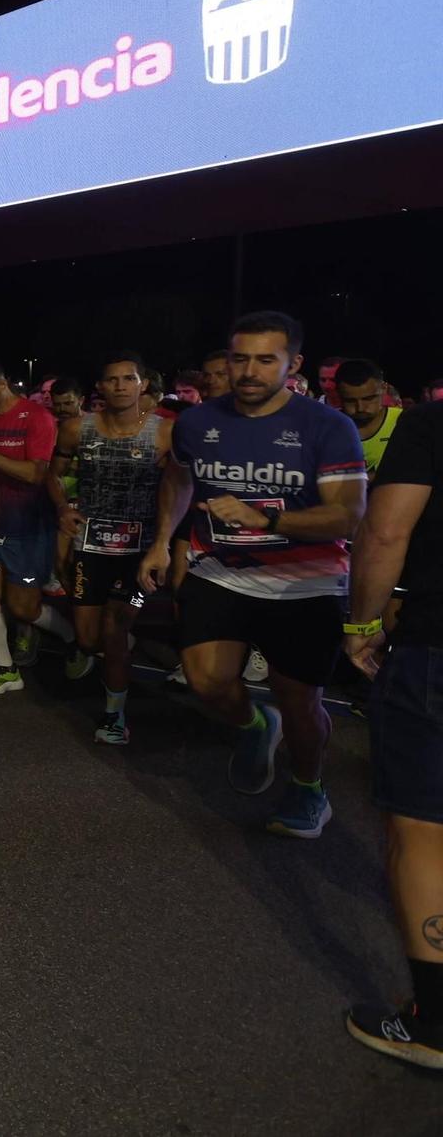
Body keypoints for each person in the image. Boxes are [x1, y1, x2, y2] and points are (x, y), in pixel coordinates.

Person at [139, 311, 367, 838]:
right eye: (240, 358)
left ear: (294, 363)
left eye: (266, 359)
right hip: (219, 572)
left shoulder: (327, 426)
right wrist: (159, 543)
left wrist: (267, 518)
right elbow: (178, 481)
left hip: (304, 584)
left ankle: (310, 789)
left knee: (299, 699)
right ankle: (255, 725)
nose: (249, 371)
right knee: (206, 682)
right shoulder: (197, 421)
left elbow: (347, 514)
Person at [342, 398, 443, 1068]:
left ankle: (435, 1023)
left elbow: (384, 533)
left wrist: (361, 623)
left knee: (424, 828)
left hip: (438, 646)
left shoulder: (434, 422)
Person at [49, 353, 171, 744]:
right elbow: (52, 475)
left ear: (143, 385)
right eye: (112, 380)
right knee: (88, 638)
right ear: (99, 387)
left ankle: (114, 716)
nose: (120, 386)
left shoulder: (164, 432)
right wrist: (62, 509)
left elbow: (178, 489)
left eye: (128, 379)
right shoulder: (74, 428)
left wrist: (167, 544)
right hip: (90, 546)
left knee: (115, 631)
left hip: (138, 552)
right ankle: (101, 654)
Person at [0, 356, 71, 686]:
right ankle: (6, 669)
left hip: (27, 526)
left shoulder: (38, 417)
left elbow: (36, 473)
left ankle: (75, 639)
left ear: (2, 385)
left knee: (24, 609)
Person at [336, 358, 402, 478]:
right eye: (350, 401)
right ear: (338, 394)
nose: (360, 408)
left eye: (369, 398)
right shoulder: (327, 425)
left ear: (384, 388)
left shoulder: (403, 422)